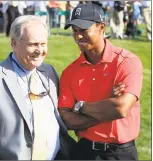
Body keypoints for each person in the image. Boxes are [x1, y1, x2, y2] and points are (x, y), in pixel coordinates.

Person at [0, 15, 75, 160]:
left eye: (43, 44)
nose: (40, 50)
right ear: (14, 43)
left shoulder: (49, 72)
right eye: (33, 44)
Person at [58, 3, 143, 160]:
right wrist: (106, 107)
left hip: (121, 153)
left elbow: (120, 108)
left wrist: (80, 107)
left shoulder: (127, 62)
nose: (78, 37)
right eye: (74, 31)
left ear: (101, 27)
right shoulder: (70, 72)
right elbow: (67, 120)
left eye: (83, 30)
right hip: (84, 152)